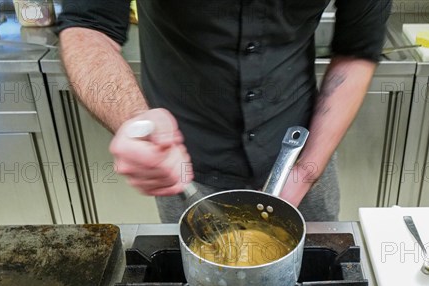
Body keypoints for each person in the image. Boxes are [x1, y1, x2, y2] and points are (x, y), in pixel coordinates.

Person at [57, 0, 391, 222]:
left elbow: (357, 49)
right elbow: (88, 27)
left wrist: (304, 172)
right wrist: (134, 121)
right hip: (187, 167)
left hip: (302, 152)